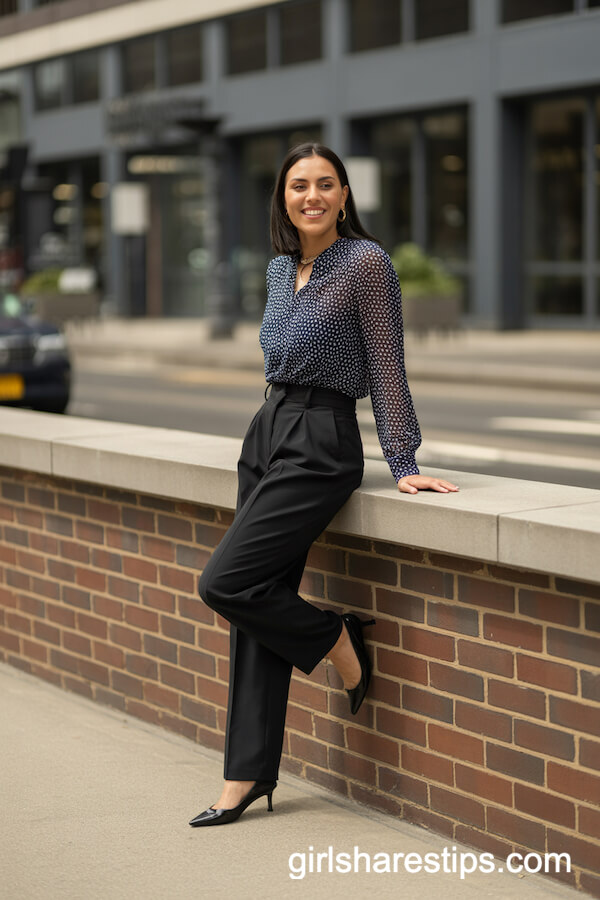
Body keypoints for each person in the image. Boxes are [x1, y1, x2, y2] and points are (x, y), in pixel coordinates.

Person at [190, 142, 458, 827]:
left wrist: (404, 462)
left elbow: (387, 364)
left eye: (325, 184)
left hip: (321, 438)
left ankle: (338, 639)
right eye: (298, 185)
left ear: (344, 194)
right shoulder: (283, 270)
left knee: (224, 581)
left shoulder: (367, 264)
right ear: (283, 197)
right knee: (258, 597)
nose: (311, 195)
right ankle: (245, 774)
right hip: (268, 431)